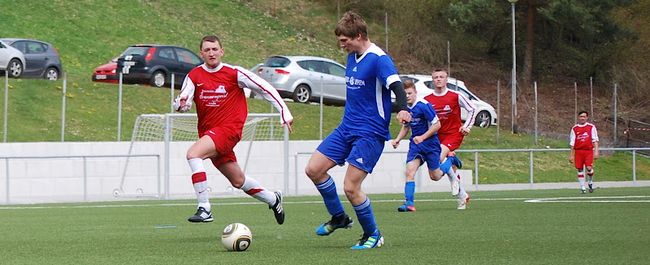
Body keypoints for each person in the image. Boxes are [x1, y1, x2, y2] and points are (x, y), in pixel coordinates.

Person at [304, 11, 411, 250]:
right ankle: (339, 218)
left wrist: (403, 109)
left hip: (370, 133)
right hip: (347, 127)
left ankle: (373, 235)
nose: (341, 45)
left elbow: (397, 86)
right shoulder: (352, 56)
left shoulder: (379, 59)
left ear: (359, 35)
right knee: (314, 169)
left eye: (345, 40)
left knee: (351, 187)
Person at [173, 35, 293, 224]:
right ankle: (273, 199)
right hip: (209, 134)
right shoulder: (194, 76)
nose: (211, 53)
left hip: (229, 130)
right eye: (207, 50)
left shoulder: (234, 73)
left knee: (193, 155)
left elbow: (264, 88)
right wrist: (180, 104)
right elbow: (182, 99)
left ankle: (204, 208)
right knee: (238, 181)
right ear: (201, 54)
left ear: (222, 51)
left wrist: (284, 111)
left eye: (214, 49)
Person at [391, 80, 451, 212]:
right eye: (405, 94)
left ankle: (450, 161)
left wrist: (423, 137)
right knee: (409, 172)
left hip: (430, 144)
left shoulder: (424, 105)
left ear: (415, 93)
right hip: (416, 145)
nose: (407, 96)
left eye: (410, 93)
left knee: (435, 176)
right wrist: (398, 139)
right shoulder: (405, 109)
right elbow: (406, 126)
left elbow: (437, 125)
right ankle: (409, 203)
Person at [423, 68, 476, 210]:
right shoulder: (427, 100)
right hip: (436, 137)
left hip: (453, 134)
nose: (438, 79)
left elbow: (472, 109)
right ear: (432, 80)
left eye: (441, 77)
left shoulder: (455, 96)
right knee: (435, 175)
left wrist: (467, 126)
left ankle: (451, 161)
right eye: (436, 77)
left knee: (440, 155)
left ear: (446, 79)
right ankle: (463, 195)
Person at [569, 111, 599, 193]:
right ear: (578, 117)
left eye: (584, 116)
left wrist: (596, 151)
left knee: (589, 168)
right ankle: (582, 187)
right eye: (581, 116)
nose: (582, 118)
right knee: (579, 168)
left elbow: (595, 140)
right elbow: (572, 143)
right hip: (578, 151)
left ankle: (590, 182)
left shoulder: (591, 127)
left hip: (588, 151)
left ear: (587, 117)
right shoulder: (574, 128)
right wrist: (571, 155)